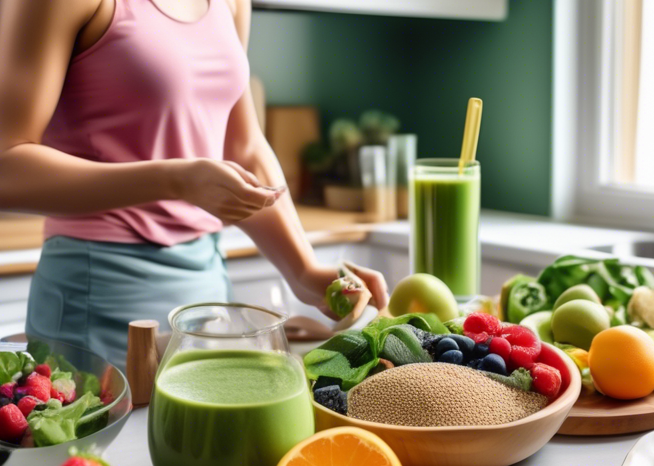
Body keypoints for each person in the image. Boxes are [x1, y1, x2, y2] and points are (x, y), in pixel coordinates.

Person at [0, 0, 388, 370]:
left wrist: (304, 271)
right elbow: (7, 165)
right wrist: (174, 180)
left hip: (208, 294)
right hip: (99, 296)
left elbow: (243, 149)